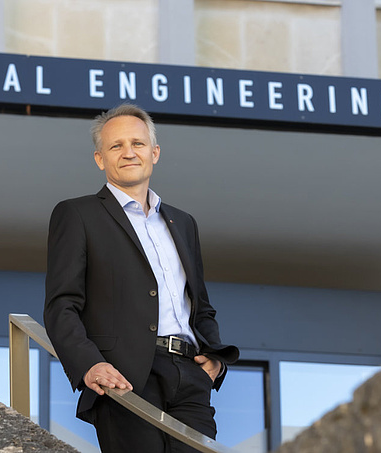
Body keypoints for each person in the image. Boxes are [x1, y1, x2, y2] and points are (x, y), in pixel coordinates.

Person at [44, 103, 239, 453]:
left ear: (155, 152)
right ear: (100, 159)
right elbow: (62, 305)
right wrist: (89, 364)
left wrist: (215, 358)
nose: (128, 152)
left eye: (137, 143)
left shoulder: (184, 222)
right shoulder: (77, 214)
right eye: (116, 146)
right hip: (124, 376)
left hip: (190, 376)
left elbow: (199, 305)